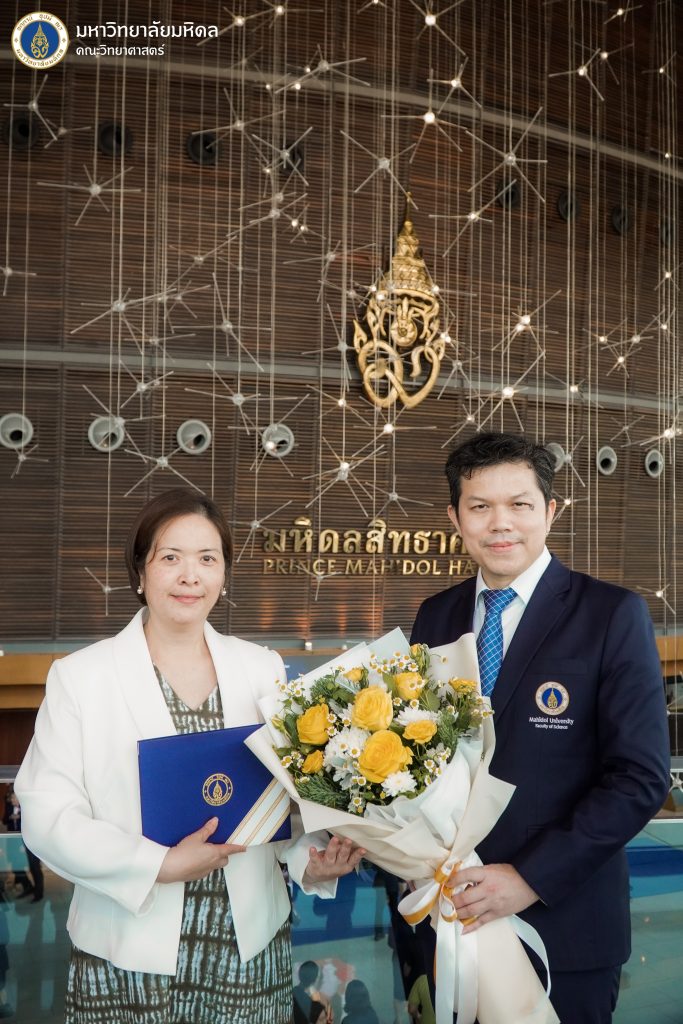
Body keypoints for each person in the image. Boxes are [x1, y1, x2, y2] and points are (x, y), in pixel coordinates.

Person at [15, 488, 364, 1024]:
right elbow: (48, 816)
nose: (190, 576)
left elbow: (283, 805)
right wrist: (157, 864)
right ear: (141, 570)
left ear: (223, 574)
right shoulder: (82, 677)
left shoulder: (262, 669)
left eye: (207, 559)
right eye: (170, 557)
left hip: (247, 952)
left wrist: (312, 861)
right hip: (128, 952)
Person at [410, 432, 670, 1024]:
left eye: (520, 504)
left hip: (564, 923)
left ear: (550, 512)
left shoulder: (611, 614)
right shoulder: (436, 615)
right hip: (449, 918)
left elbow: (639, 778)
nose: (500, 523)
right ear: (455, 518)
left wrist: (529, 877)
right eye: (480, 506)